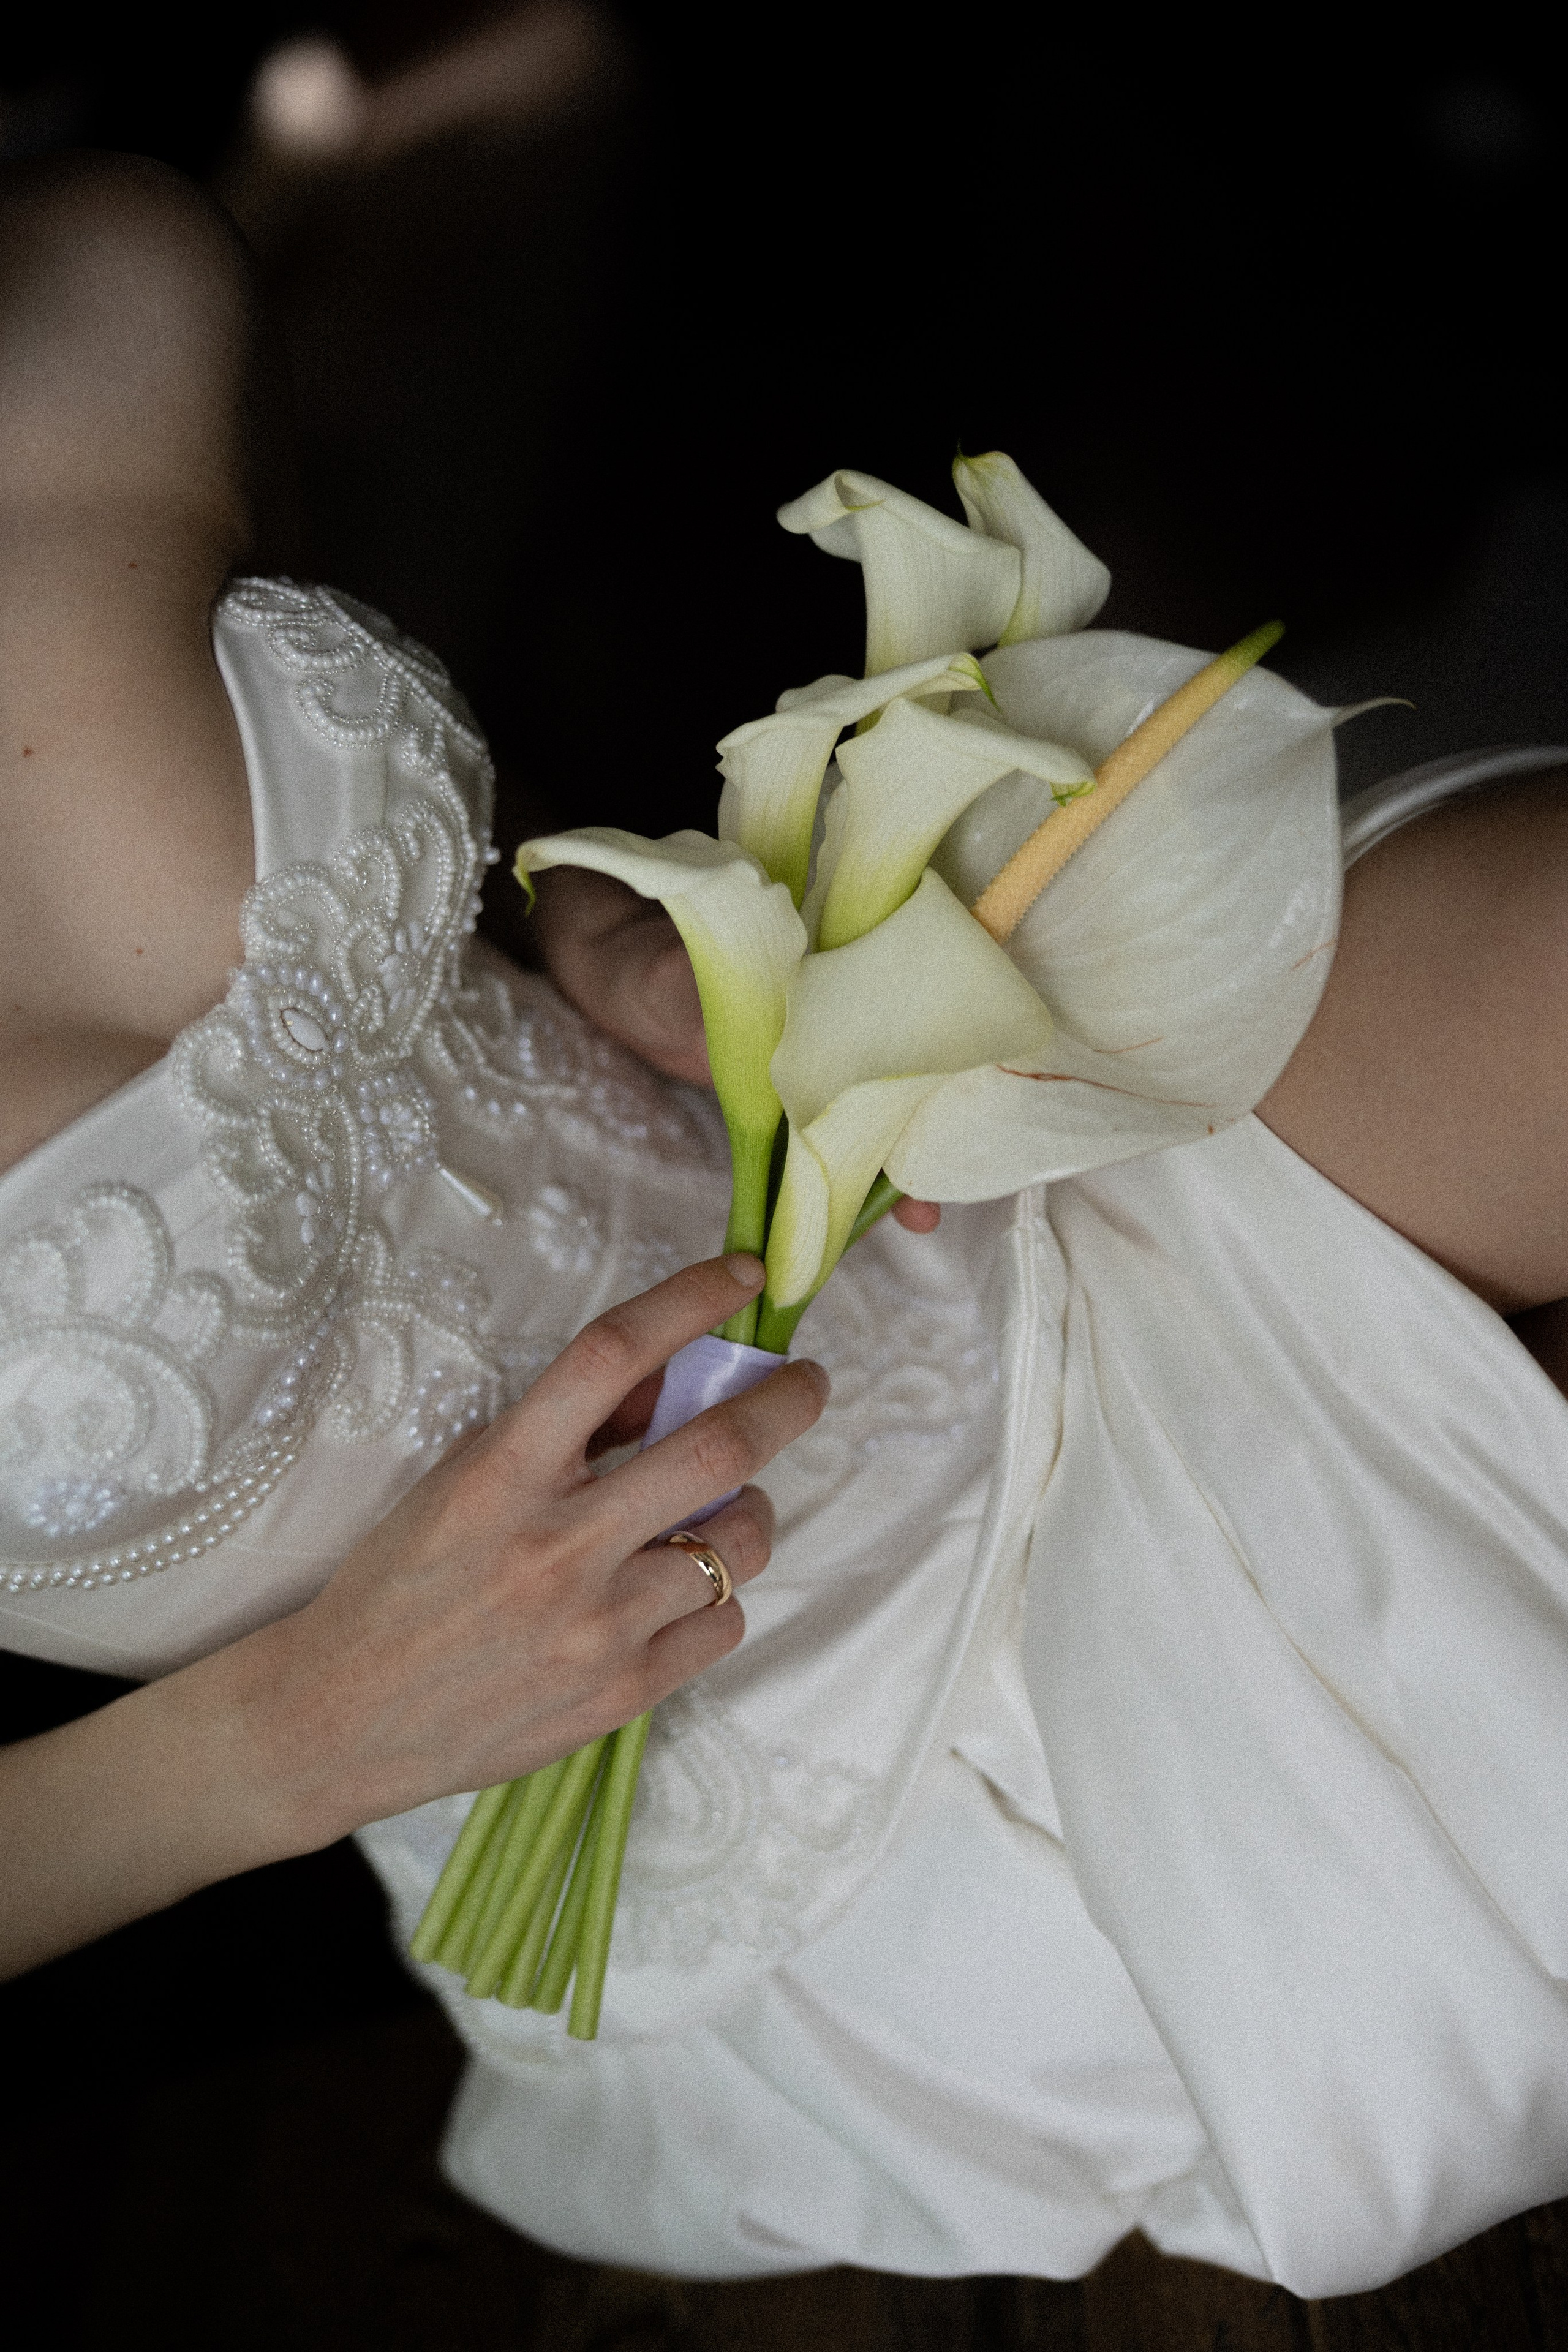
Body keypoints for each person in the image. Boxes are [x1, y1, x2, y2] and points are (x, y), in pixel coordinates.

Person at [4, 149, 1568, 2302]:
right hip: (723, 1752)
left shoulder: (87, 301)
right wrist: (278, 1748)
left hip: (953, 1172)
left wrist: (607, 930)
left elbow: (427, 869)